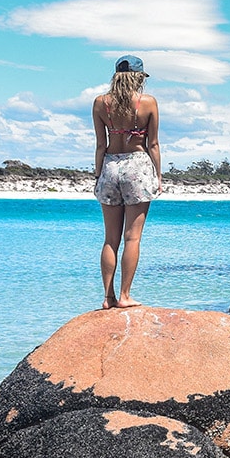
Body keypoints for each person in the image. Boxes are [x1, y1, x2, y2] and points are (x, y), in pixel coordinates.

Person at [92, 55, 162, 308]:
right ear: (139, 77)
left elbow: (101, 144)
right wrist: (158, 175)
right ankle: (124, 296)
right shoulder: (148, 103)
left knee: (111, 238)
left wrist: (98, 174)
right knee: (132, 238)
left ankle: (107, 297)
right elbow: (152, 143)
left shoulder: (100, 103)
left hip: (110, 165)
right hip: (138, 166)